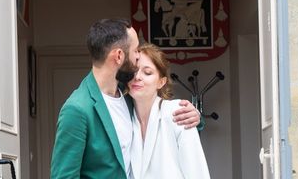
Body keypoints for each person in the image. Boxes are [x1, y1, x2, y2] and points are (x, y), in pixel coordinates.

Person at [50, 18, 201, 179]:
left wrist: (194, 116)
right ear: (119, 56)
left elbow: (159, 119)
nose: (138, 56)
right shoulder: (77, 109)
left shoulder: (129, 94)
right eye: (135, 50)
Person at [129, 43, 211, 179]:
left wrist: (198, 117)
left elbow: (197, 172)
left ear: (161, 82)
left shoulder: (178, 113)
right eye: (133, 71)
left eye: (147, 72)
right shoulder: (124, 116)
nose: (137, 77)